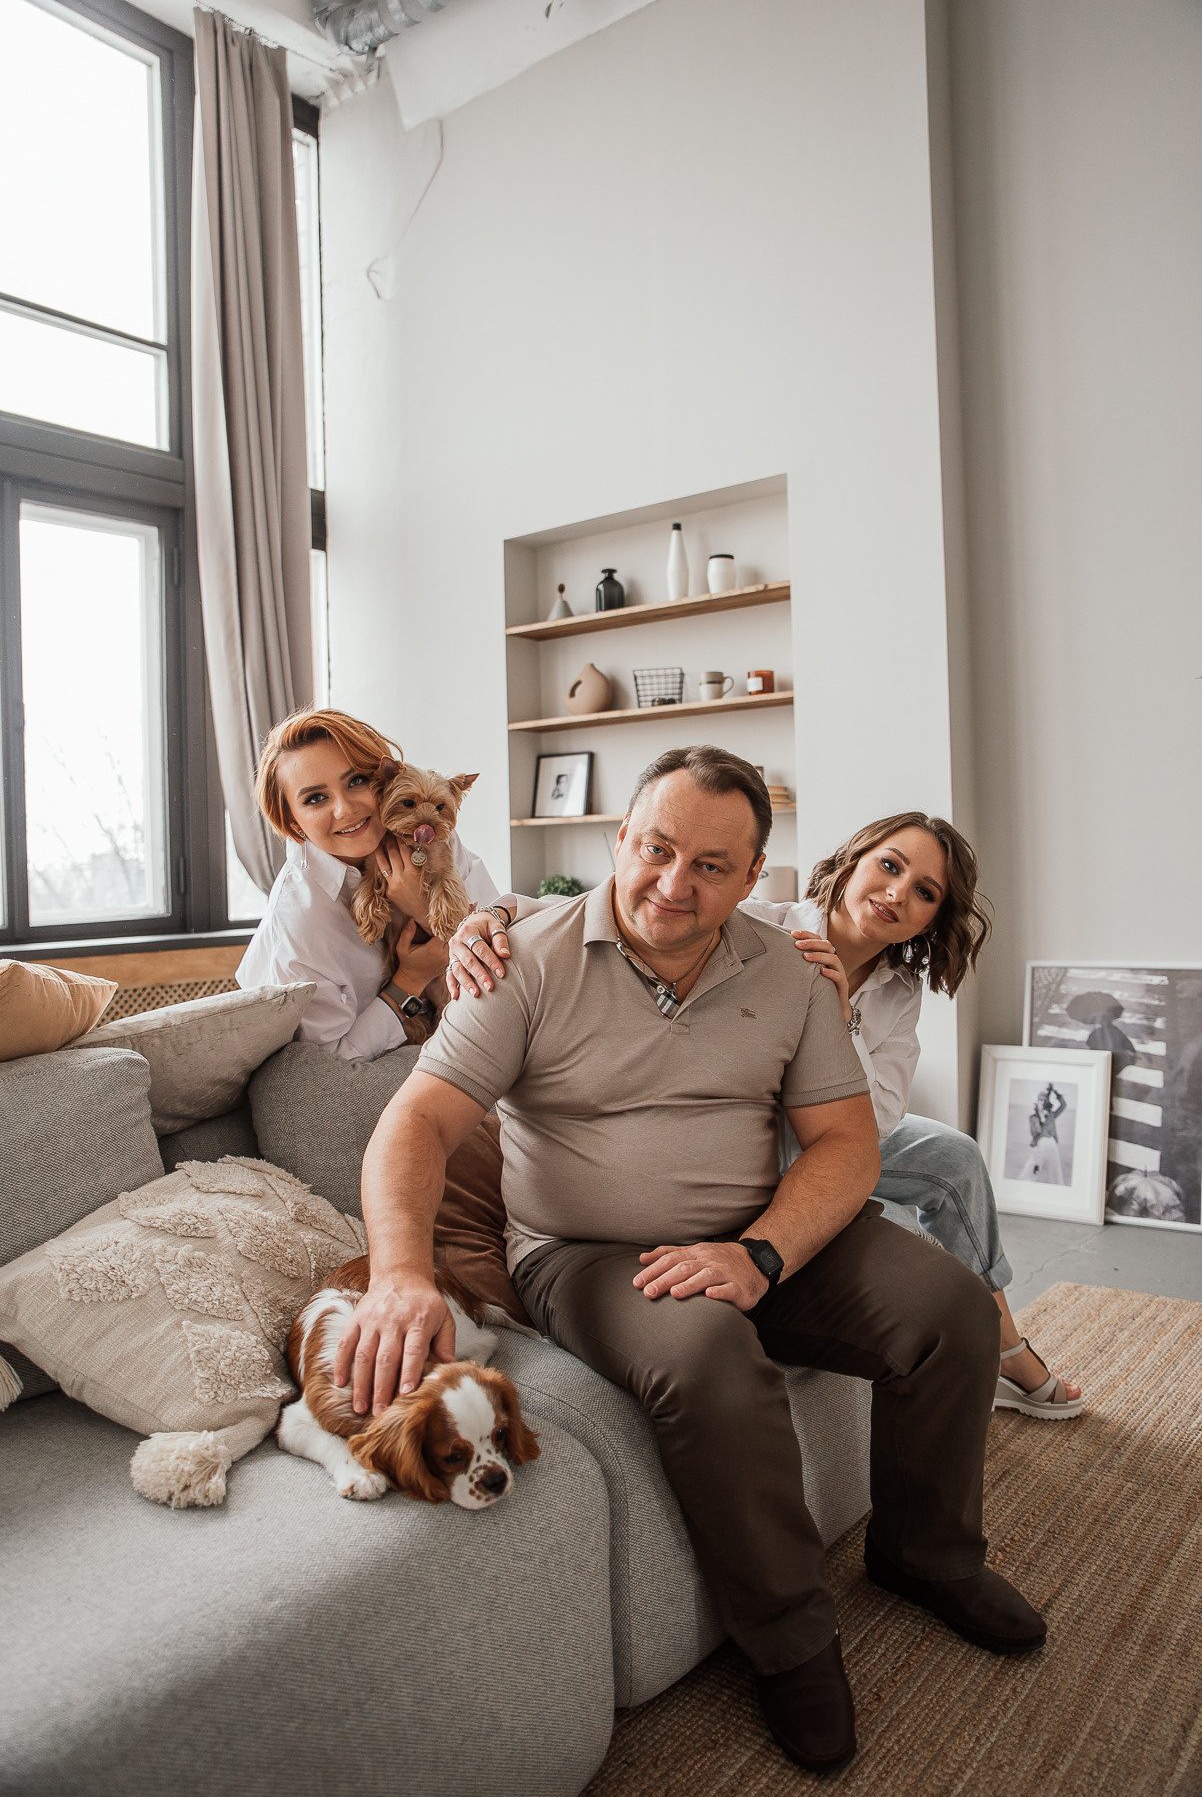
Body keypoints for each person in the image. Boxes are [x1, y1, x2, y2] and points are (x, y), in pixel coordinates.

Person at [339, 747, 1045, 1774]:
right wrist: (401, 1270)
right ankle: (791, 1643)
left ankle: (923, 1557)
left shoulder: (788, 970)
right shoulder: (518, 955)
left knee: (949, 1309)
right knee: (708, 1361)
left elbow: (846, 1142)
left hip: (760, 1234)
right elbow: (418, 1121)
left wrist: (761, 1250)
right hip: (587, 1255)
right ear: (618, 841)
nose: (674, 886)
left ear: (752, 876)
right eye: (656, 850)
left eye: (711, 867)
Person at [450, 808, 1084, 1422]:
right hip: (743, 1131)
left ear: (932, 918)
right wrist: (492, 914)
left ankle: (998, 1341)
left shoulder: (897, 989)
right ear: (850, 862)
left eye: (923, 892)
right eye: (888, 865)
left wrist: (836, 1027)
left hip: (831, 1135)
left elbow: (880, 1119)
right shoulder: (759, 922)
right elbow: (594, 907)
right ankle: (1009, 1351)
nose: (896, 893)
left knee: (954, 1156)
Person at [236, 707, 538, 1061]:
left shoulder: (431, 840)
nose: (345, 810)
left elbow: (505, 959)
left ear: (386, 778)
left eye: (356, 781)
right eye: (316, 798)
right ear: (293, 822)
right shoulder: (301, 919)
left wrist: (423, 912)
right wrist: (411, 978)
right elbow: (334, 1062)